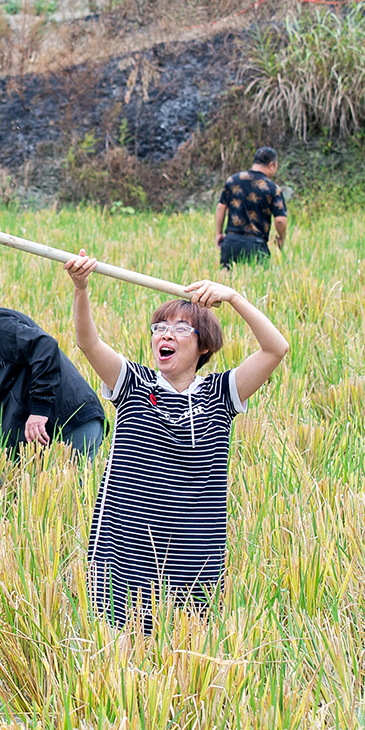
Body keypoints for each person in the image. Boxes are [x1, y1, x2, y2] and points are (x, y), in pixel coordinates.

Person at [63, 251, 288, 633]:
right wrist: (81, 289)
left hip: (195, 548)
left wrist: (233, 298)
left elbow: (276, 349)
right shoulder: (132, 382)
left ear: (204, 347)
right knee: (123, 646)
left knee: (186, 652)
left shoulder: (221, 393)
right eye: (159, 327)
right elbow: (88, 342)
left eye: (181, 329)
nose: (165, 335)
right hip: (126, 543)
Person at [0, 285, 106, 459]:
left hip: (68, 425)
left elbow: (44, 346)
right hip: (61, 428)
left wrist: (39, 411)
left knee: (68, 484)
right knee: (16, 482)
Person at [214, 147, 288, 269]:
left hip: (231, 241)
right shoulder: (272, 188)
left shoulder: (233, 181)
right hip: (256, 244)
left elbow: (221, 208)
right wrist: (281, 239)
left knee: (225, 283)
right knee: (257, 282)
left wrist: (219, 233)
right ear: (271, 165)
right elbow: (280, 220)